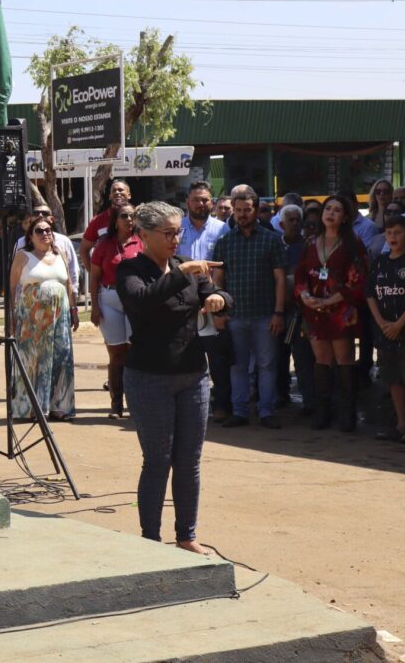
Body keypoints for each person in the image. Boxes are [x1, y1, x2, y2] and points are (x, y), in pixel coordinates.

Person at [117, 201, 231, 556]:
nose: (176, 238)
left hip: (193, 373)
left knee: (189, 460)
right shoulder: (130, 269)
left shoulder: (187, 267)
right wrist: (182, 276)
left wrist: (216, 299)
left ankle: (187, 534)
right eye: (168, 233)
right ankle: (150, 537)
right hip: (149, 376)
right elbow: (141, 300)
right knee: (158, 459)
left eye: (178, 232)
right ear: (144, 235)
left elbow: (220, 294)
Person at [212, 188, 288, 429]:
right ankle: (240, 412)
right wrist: (219, 312)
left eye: (247, 210)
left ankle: (266, 411)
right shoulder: (224, 242)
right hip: (235, 316)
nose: (242, 215)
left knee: (267, 365)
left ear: (256, 210)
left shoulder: (271, 240)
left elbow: (280, 280)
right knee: (238, 366)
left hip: (265, 315)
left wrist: (278, 312)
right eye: (238, 210)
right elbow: (218, 280)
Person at [296, 195, 367, 431]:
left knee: (344, 361)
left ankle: (347, 415)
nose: (331, 213)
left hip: (341, 311)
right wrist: (306, 297)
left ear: (345, 216)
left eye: (337, 210)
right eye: (328, 208)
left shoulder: (352, 243)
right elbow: (300, 276)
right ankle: (322, 413)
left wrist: (332, 299)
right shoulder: (310, 243)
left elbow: (358, 279)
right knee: (321, 361)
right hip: (314, 312)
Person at [366, 215, 405, 443]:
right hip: (385, 331)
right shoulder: (380, 262)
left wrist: (399, 323)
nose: (393, 237)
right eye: (389, 233)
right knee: (393, 379)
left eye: (398, 232)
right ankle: (400, 422)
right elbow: (370, 294)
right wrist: (382, 323)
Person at [9, 217, 78, 421]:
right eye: (39, 230)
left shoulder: (61, 254)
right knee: (33, 361)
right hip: (31, 321)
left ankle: (60, 406)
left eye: (48, 230)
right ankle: (30, 407)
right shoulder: (23, 256)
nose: (45, 234)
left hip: (60, 318)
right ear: (30, 236)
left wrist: (74, 309)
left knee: (61, 358)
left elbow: (68, 285)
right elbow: (12, 287)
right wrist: (11, 317)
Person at [179, 181, 231, 421]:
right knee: (184, 353)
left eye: (205, 200)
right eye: (196, 199)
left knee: (217, 357)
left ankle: (221, 405)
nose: (201, 203)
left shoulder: (223, 230)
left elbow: (228, 268)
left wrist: (220, 301)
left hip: (212, 300)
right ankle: (186, 405)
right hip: (181, 301)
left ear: (212, 203)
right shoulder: (177, 229)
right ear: (188, 202)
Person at [89, 204, 141, 418]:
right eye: (124, 216)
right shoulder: (104, 244)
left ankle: (135, 403)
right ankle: (116, 404)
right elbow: (94, 277)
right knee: (116, 354)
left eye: (132, 215)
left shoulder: (142, 241)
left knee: (134, 352)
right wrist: (94, 305)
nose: (129, 219)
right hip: (109, 298)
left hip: (135, 300)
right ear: (115, 220)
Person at [277, 205, 315, 415]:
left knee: (303, 359)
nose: (294, 224)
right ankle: (280, 396)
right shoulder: (274, 244)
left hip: (302, 312)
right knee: (277, 356)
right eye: (290, 220)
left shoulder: (308, 246)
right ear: (282, 224)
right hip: (277, 310)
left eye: (297, 220)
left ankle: (309, 402)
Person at [78, 180, 131, 273]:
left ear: (129, 195)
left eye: (121, 190)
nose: (117, 192)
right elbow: (83, 250)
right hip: (108, 285)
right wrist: (94, 274)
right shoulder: (98, 220)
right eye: (114, 191)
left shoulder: (138, 217)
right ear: (110, 196)